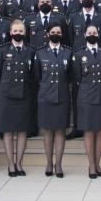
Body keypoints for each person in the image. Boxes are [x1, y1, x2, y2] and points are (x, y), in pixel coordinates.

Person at [0, 20, 33, 177]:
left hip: (24, 95)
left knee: (23, 130)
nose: (18, 33)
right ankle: (10, 164)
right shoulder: (2, 51)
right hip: (7, 95)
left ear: (25, 33)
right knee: (8, 131)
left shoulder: (30, 51)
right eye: (15, 30)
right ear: (10, 33)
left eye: (21, 31)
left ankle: (19, 163)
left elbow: (33, 74)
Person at [72, 25, 101, 178]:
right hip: (86, 96)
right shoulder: (79, 53)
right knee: (89, 131)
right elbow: (77, 77)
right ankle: (91, 165)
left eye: (94, 32)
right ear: (84, 34)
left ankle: (98, 164)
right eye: (89, 33)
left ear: (99, 34)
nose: (92, 35)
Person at [33, 23, 71, 177]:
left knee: (61, 131)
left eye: (58, 32)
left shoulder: (68, 52)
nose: (56, 34)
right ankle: (49, 163)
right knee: (47, 131)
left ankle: (59, 164)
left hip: (62, 96)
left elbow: (70, 76)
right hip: (45, 97)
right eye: (53, 32)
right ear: (47, 34)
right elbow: (37, 76)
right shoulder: (40, 53)